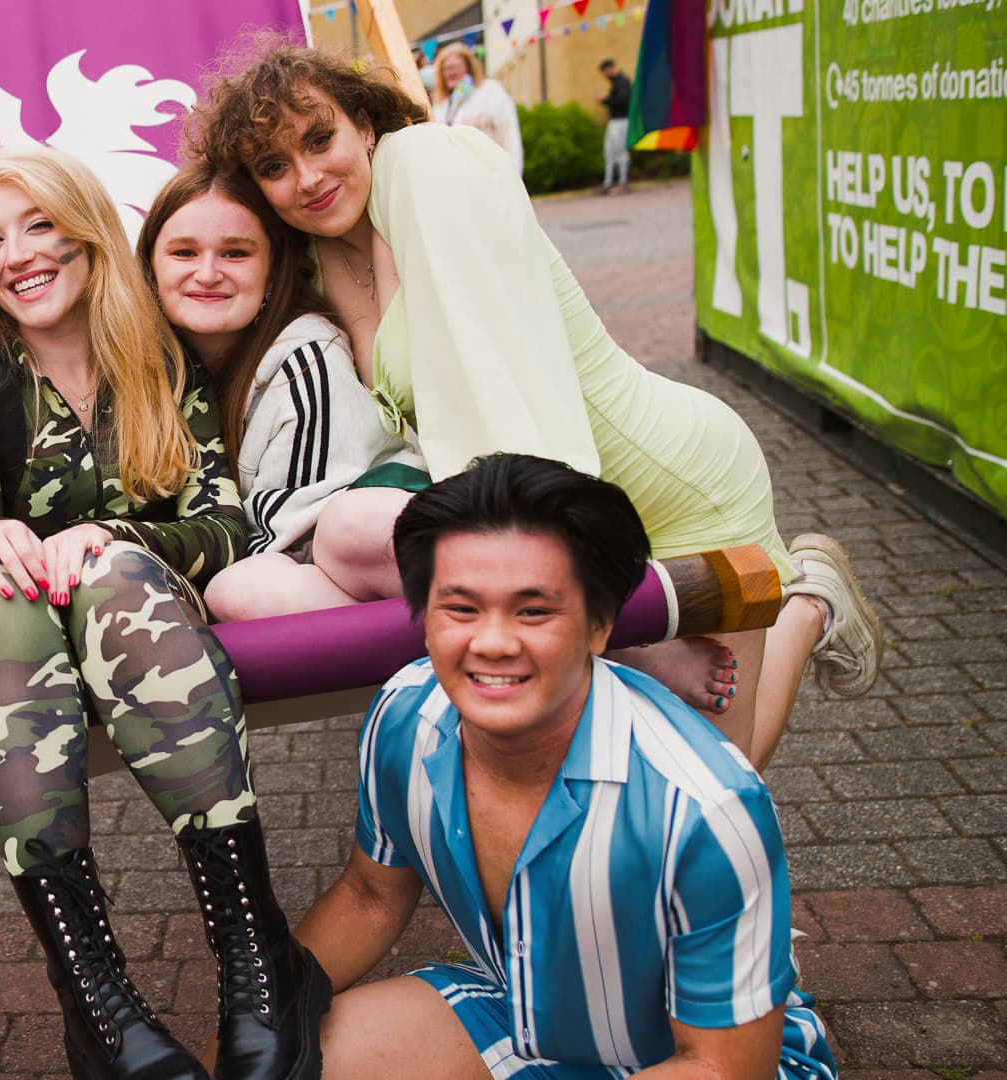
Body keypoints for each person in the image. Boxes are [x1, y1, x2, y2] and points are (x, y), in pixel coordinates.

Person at [191, 41, 881, 769]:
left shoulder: (429, 164)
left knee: (720, 772)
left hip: (670, 481)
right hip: (557, 492)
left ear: (364, 124)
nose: (306, 176)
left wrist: (538, 555)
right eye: (273, 166)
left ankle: (807, 607)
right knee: (648, 771)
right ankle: (782, 609)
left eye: (319, 138)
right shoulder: (321, 253)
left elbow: (499, 398)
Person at [0, 146, 326, 1080]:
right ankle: (94, 999)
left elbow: (226, 524)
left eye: (39, 227)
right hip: (22, 639)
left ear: (87, 232)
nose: (16, 254)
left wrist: (111, 537)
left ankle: (253, 958)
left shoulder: (161, 359)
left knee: (112, 573)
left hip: (144, 618)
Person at [298, 453, 838, 1079]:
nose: (492, 642)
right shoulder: (405, 714)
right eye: (461, 608)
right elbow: (368, 896)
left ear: (601, 625)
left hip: (696, 1059)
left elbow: (722, 1068)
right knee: (278, 1059)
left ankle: (807, 612)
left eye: (533, 611)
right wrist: (256, 1019)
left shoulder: (706, 808)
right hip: (518, 1010)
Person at [136, 162, 418, 622]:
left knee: (241, 589)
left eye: (235, 253)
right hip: (298, 570)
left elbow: (294, 529)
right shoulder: (147, 369)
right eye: (184, 253)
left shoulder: (305, 355)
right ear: (149, 267)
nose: (207, 274)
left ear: (272, 270)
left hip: (359, 541)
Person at [429, 43, 523, 173]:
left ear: (468, 68)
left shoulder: (490, 91)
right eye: (444, 69)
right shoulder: (441, 105)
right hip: (459, 176)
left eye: (454, 67)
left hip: (492, 171)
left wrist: (515, 173)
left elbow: (509, 134)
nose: (449, 72)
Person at [599, 59, 634, 194]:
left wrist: (605, 100)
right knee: (609, 151)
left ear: (610, 69)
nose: (604, 76)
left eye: (604, 72)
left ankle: (623, 182)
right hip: (614, 121)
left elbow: (622, 100)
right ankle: (608, 182)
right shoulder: (616, 82)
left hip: (622, 121)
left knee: (620, 151)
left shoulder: (623, 81)